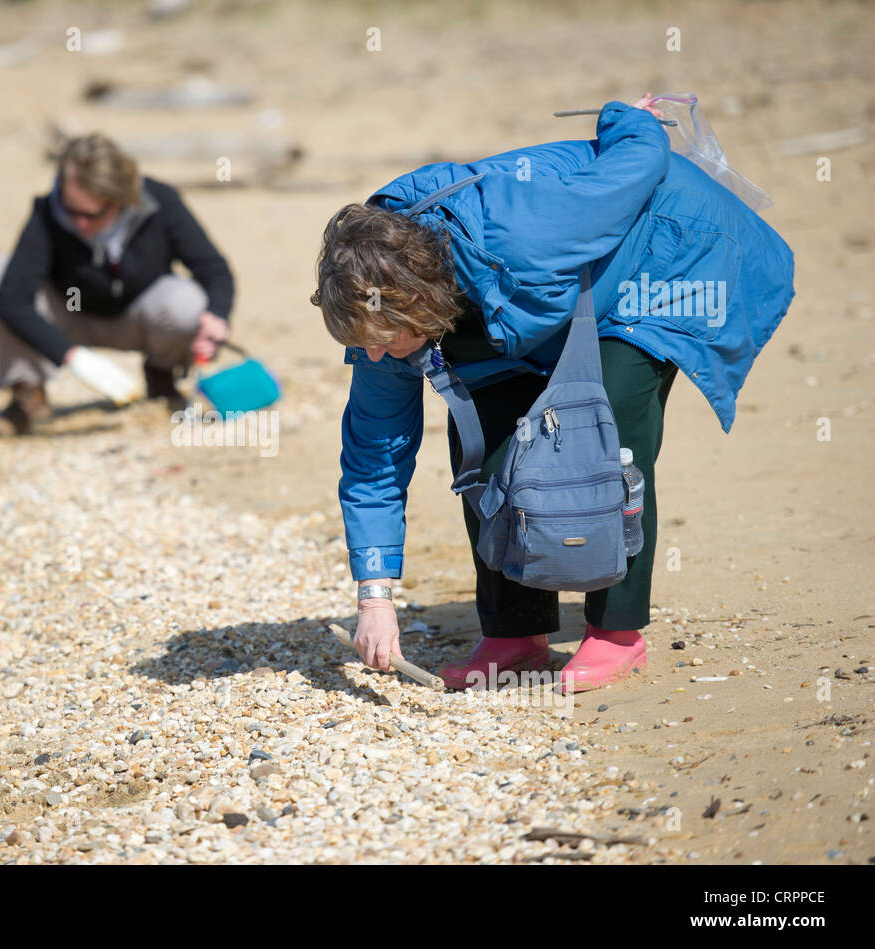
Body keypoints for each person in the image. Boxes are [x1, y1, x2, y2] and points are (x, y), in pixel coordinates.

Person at [311, 95, 794, 692]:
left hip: (666, 257)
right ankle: (515, 631)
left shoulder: (528, 229)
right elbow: (373, 461)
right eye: (367, 344)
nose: (375, 355)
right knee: (485, 440)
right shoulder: (376, 318)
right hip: (541, 297)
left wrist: (627, 114)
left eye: (387, 341)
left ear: (419, 303)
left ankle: (617, 631)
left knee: (607, 432)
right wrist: (375, 597)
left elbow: (641, 162)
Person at [0, 132, 234, 435]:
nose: (80, 224)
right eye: (71, 210)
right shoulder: (48, 212)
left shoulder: (159, 202)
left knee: (188, 302)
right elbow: (12, 299)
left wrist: (217, 316)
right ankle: (27, 397)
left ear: (122, 200)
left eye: (93, 214)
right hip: (69, 315)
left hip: (138, 318)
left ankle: (162, 378)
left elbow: (214, 269)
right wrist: (71, 356)